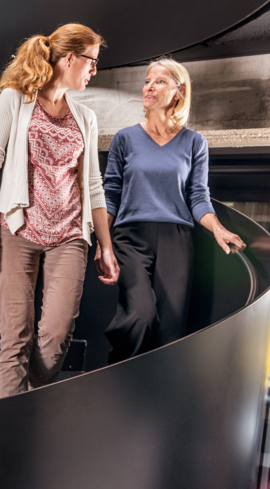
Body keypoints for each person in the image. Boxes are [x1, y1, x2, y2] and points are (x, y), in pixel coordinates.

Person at [0, 23, 119, 399]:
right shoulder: (15, 100)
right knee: (15, 339)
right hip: (18, 231)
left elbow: (94, 186)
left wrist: (105, 246)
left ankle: (28, 402)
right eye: (91, 61)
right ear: (69, 58)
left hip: (70, 237)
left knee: (55, 340)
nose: (94, 69)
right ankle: (8, 425)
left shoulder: (86, 118)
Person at [99, 57, 245, 364]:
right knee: (139, 315)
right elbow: (110, 195)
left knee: (170, 329)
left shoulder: (194, 142)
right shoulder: (125, 138)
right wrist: (103, 243)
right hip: (130, 237)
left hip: (176, 239)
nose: (149, 87)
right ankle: (117, 378)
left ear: (179, 92)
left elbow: (198, 197)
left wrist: (218, 229)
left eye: (160, 81)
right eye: (147, 81)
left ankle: (154, 391)